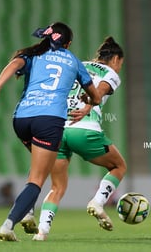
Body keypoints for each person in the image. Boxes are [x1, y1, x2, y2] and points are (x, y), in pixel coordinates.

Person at [0, 22, 101, 241]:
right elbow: (95, 96)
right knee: (38, 178)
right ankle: (9, 225)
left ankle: (27, 211)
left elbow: (14, 63)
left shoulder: (34, 54)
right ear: (68, 43)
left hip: (21, 119)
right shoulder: (73, 60)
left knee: (39, 165)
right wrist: (89, 102)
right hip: (49, 120)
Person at [20, 36, 126, 241]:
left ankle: (42, 232)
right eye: (120, 63)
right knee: (119, 166)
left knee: (57, 186)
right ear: (115, 59)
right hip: (84, 129)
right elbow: (102, 88)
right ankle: (97, 202)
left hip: (55, 129)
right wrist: (88, 105)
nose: (120, 67)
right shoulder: (110, 72)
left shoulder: (77, 65)